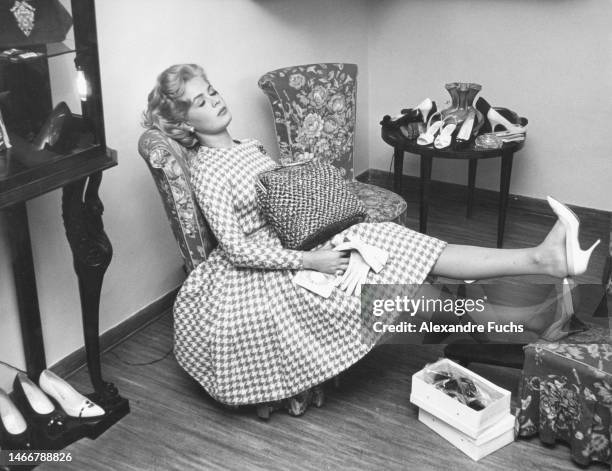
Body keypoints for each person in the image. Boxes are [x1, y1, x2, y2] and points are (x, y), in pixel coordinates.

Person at [143, 64, 601, 406]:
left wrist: (308, 188)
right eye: (201, 102)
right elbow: (238, 248)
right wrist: (313, 261)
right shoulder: (207, 171)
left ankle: (539, 261)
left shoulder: (247, 147)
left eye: (213, 91)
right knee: (412, 295)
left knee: (412, 245)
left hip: (302, 242)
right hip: (267, 272)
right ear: (185, 124)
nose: (216, 101)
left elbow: (277, 202)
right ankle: (523, 320)